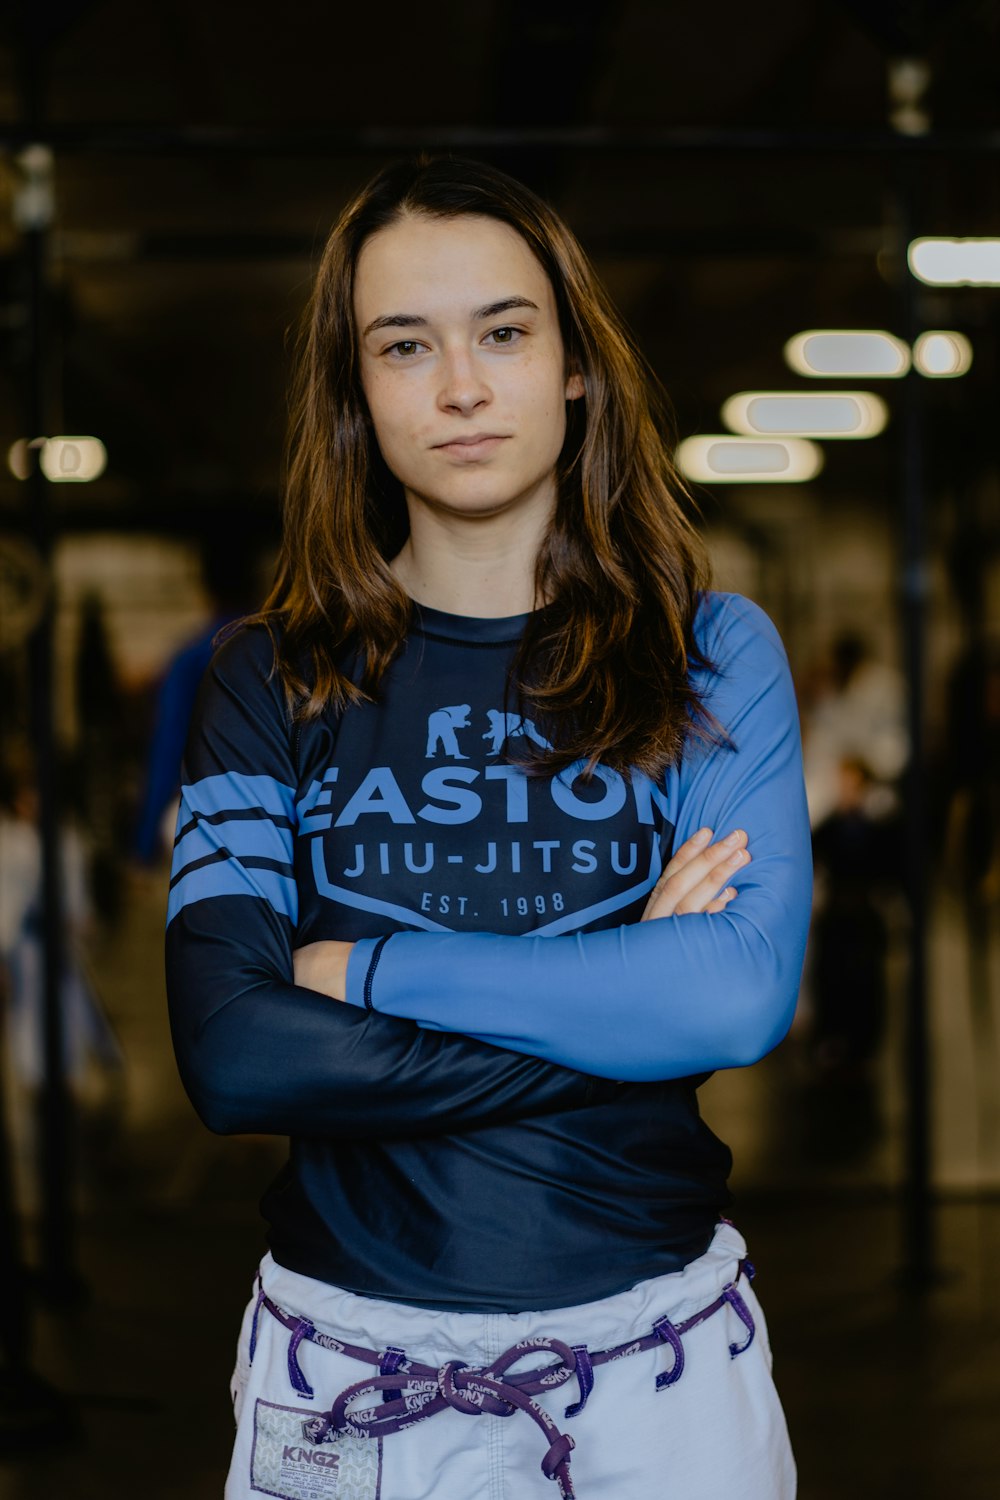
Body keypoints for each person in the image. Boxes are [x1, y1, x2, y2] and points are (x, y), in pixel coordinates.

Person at [165, 156, 812, 1500]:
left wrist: (368, 975)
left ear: (575, 366)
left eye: (504, 334)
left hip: (661, 1378)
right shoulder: (267, 675)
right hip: (346, 1375)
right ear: (358, 392)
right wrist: (625, 993)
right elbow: (236, 1056)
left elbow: (738, 1001)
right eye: (406, 346)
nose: (462, 386)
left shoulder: (709, 652)